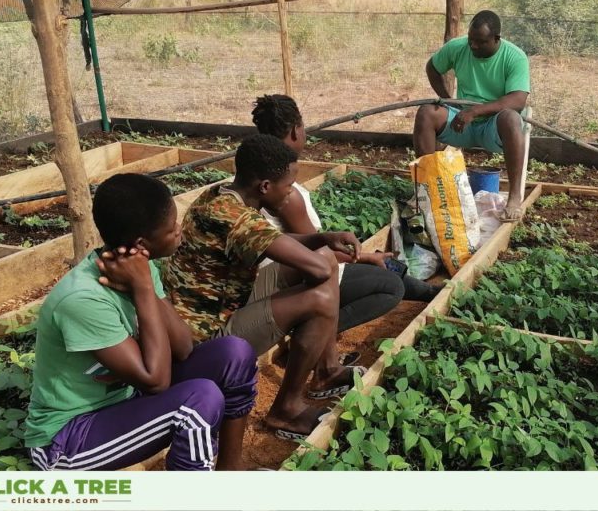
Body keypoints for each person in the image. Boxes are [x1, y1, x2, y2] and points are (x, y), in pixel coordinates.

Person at [25, 174, 258, 471]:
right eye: (172, 228)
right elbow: (156, 380)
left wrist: (144, 287)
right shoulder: (83, 299)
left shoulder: (141, 268)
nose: (180, 232)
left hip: (125, 401)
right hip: (68, 438)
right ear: (141, 243)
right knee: (198, 402)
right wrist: (144, 291)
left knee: (234, 354)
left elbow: (183, 348)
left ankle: (231, 470)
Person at [163, 134, 365, 440]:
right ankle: (286, 410)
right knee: (322, 293)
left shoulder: (221, 194)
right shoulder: (236, 218)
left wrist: (324, 238)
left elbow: (281, 244)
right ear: (265, 187)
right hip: (206, 334)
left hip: (224, 299)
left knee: (324, 261)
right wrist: (323, 247)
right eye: (288, 187)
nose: (291, 194)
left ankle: (325, 371)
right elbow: (318, 267)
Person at [252, 94, 441, 335]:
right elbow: (316, 255)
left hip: (285, 275)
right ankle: (317, 334)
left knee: (383, 266)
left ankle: (430, 293)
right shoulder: (287, 195)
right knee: (390, 286)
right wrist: (365, 258)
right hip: (295, 282)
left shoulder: (261, 172)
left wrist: (366, 258)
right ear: (295, 131)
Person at [412, 9, 531, 221]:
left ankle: (514, 196)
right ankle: (429, 189)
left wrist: (476, 111)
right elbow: (432, 67)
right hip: (461, 122)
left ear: (496, 39)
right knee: (426, 113)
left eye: (481, 42)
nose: (474, 46)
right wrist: (447, 99)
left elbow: (518, 100)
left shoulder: (515, 57)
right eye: (471, 40)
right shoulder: (458, 47)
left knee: (512, 118)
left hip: (492, 128)